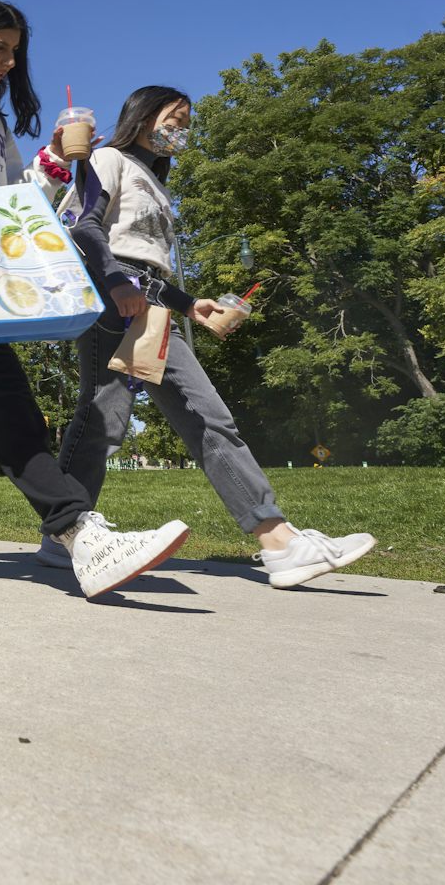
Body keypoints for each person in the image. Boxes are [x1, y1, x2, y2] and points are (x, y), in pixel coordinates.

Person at [0, 0, 192, 599]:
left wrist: (50, 160)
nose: (9, 63)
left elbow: (10, 195)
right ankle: (78, 529)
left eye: (15, 52)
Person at [53, 86, 376, 588]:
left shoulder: (157, 184)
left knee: (207, 416)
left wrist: (190, 305)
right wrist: (116, 284)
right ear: (142, 115)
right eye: (174, 118)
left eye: (186, 123)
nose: (180, 130)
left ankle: (278, 537)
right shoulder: (107, 158)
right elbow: (82, 227)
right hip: (113, 303)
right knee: (104, 422)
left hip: (153, 306)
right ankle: (65, 538)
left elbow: (149, 262)